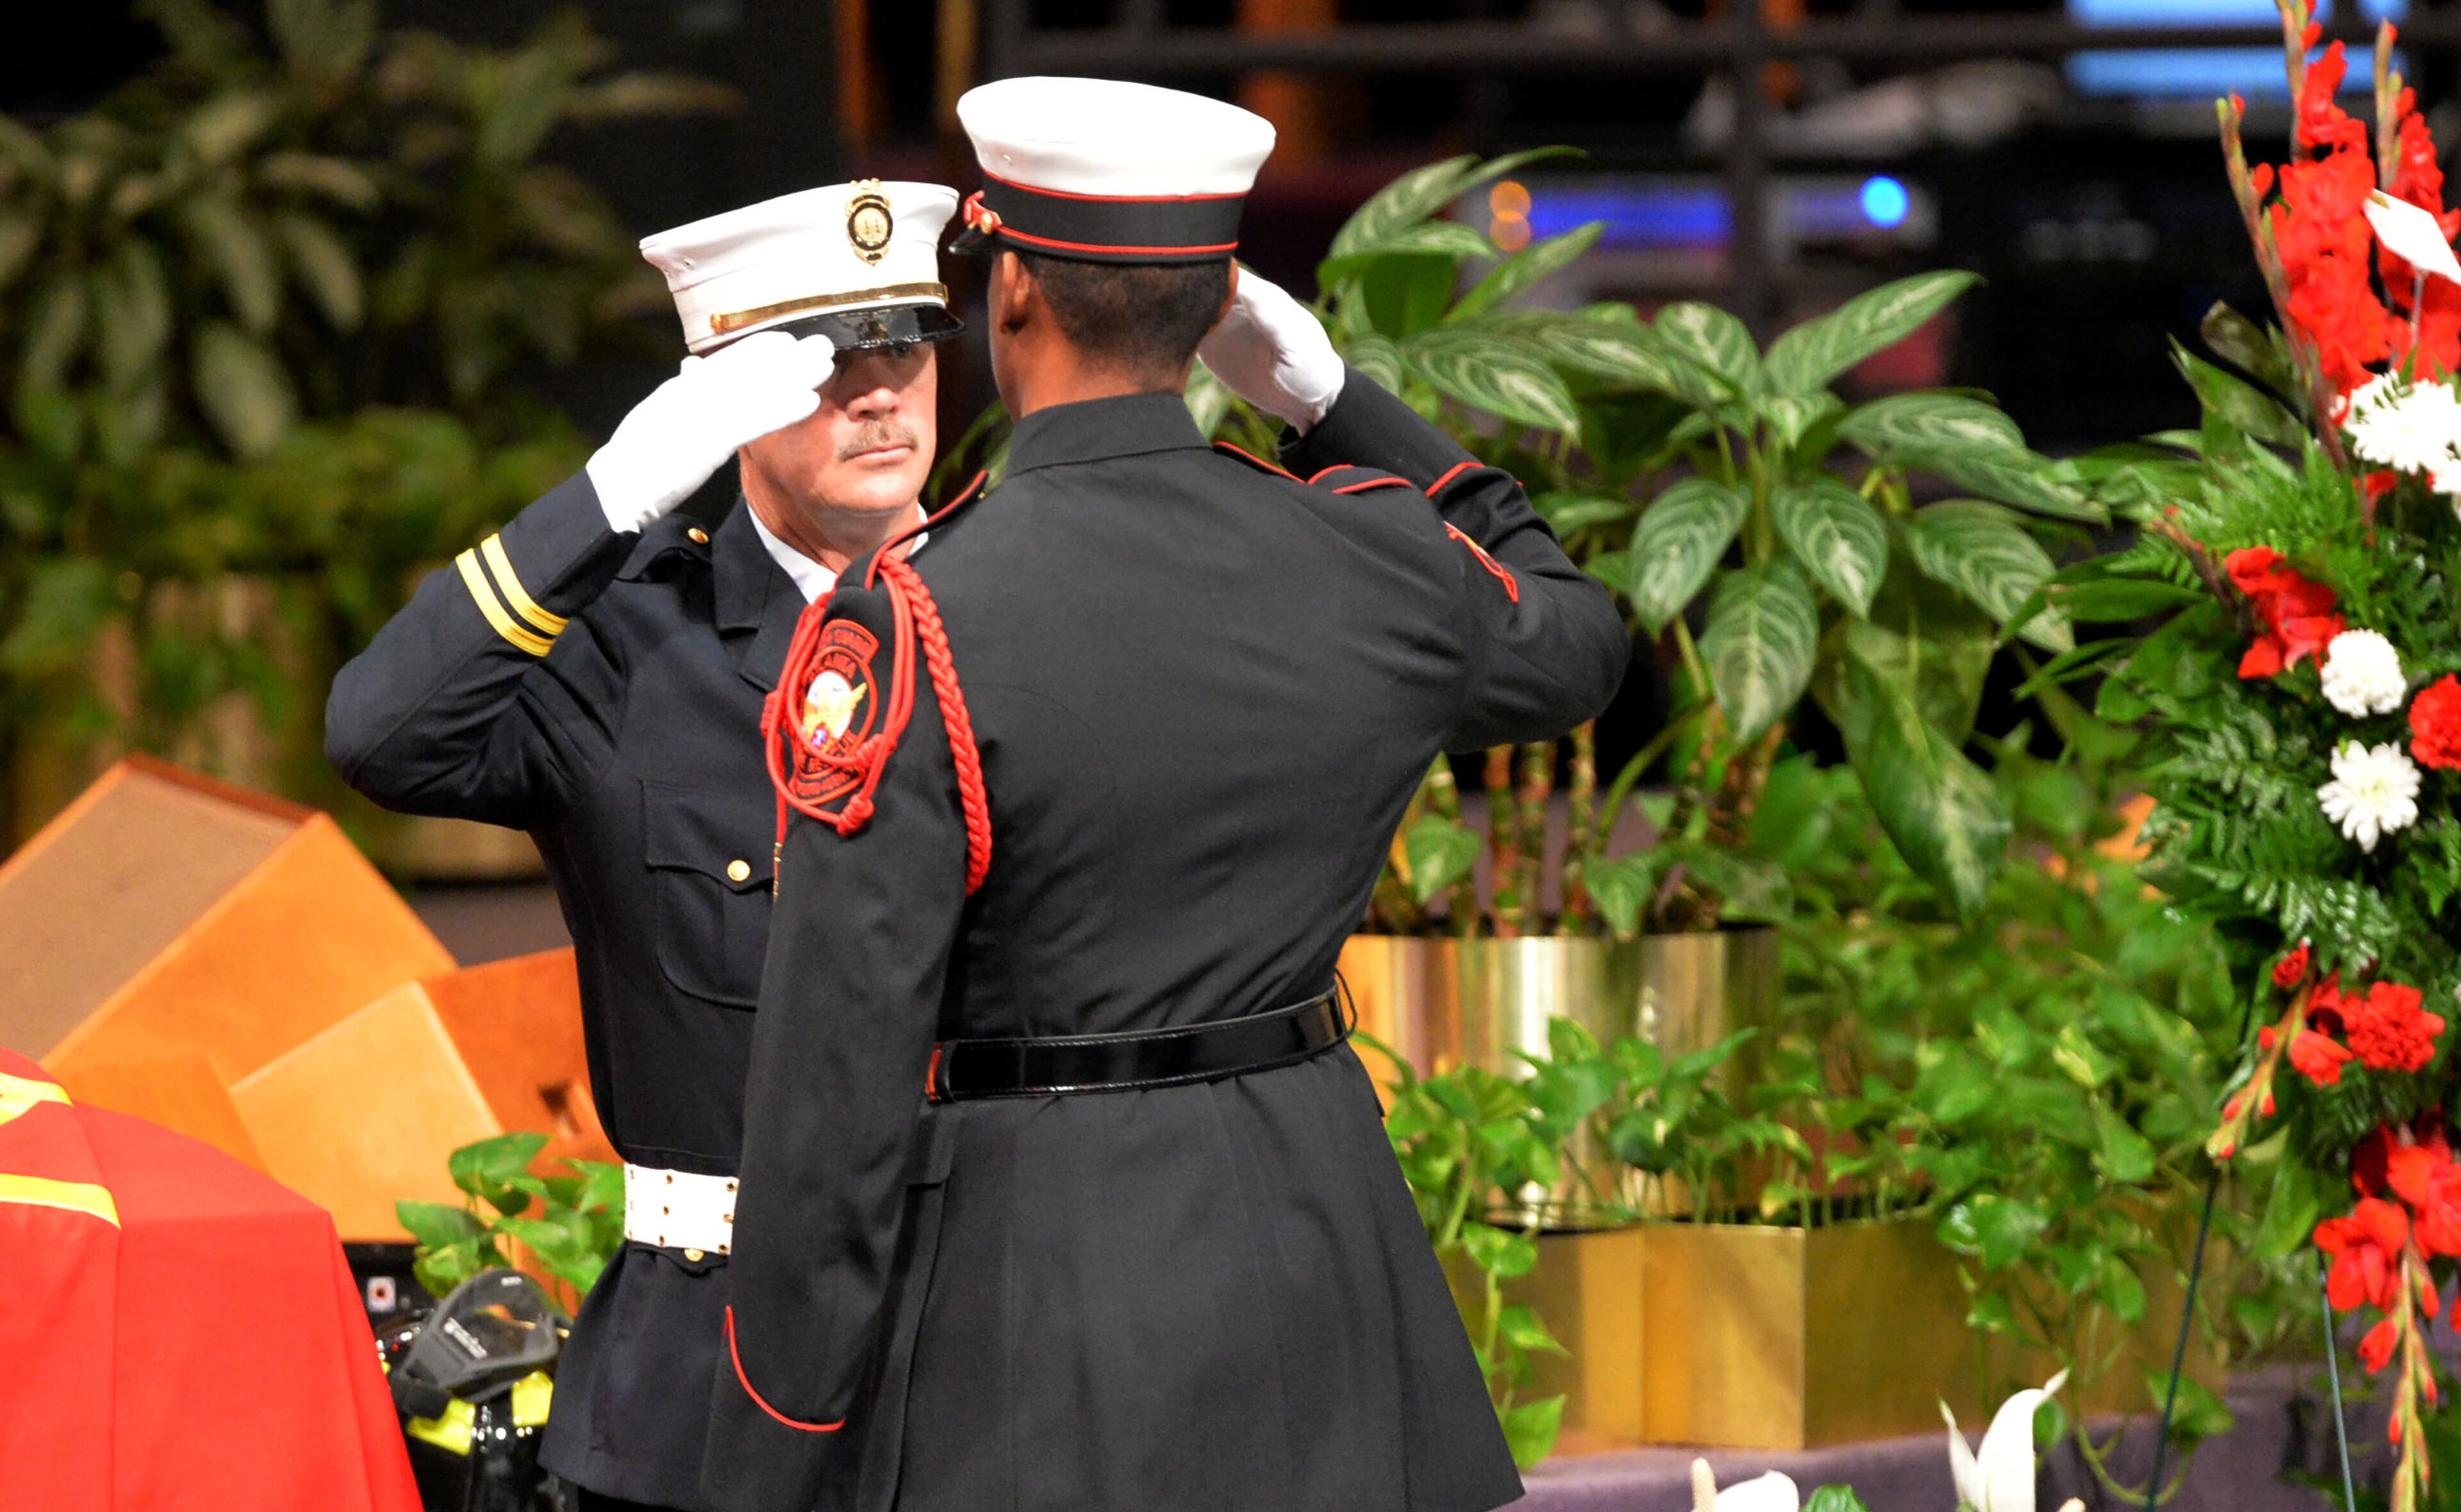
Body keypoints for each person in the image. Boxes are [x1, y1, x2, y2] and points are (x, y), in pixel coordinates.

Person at [704, 78, 1629, 1512]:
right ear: (1220, 317)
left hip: (1042, 1288)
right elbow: (1575, 637)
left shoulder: (917, 621)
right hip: (1320, 1234)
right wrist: (1331, 404)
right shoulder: (1372, 561)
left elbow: (837, 1083)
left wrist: (777, 1438)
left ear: (1010, 292)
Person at [324, 181, 965, 1512]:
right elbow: (382, 735)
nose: (881, 396)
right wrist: (611, 494)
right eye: (825, 363)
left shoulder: (1015, 616)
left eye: (903, 349)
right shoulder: (628, 644)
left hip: (980, 1334)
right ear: (725, 396)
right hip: (704, 1368)